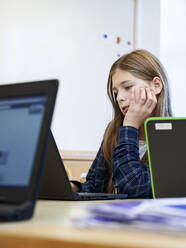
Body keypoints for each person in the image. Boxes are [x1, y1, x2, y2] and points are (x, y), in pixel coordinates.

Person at [71, 49, 173, 198]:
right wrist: (72, 187)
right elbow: (95, 186)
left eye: (127, 87)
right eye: (116, 91)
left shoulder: (173, 137)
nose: (119, 98)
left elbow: (134, 189)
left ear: (156, 86)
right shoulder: (113, 131)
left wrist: (130, 125)